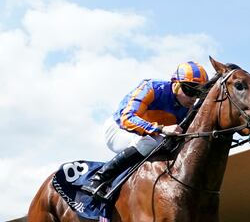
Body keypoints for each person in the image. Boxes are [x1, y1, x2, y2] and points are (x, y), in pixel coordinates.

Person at [81, 61, 209, 197]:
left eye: (199, 93)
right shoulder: (151, 88)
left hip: (149, 136)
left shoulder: (188, 108)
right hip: (119, 129)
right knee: (153, 142)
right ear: (175, 84)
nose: (194, 98)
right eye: (190, 90)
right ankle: (99, 179)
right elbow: (127, 119)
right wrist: (161, 129)